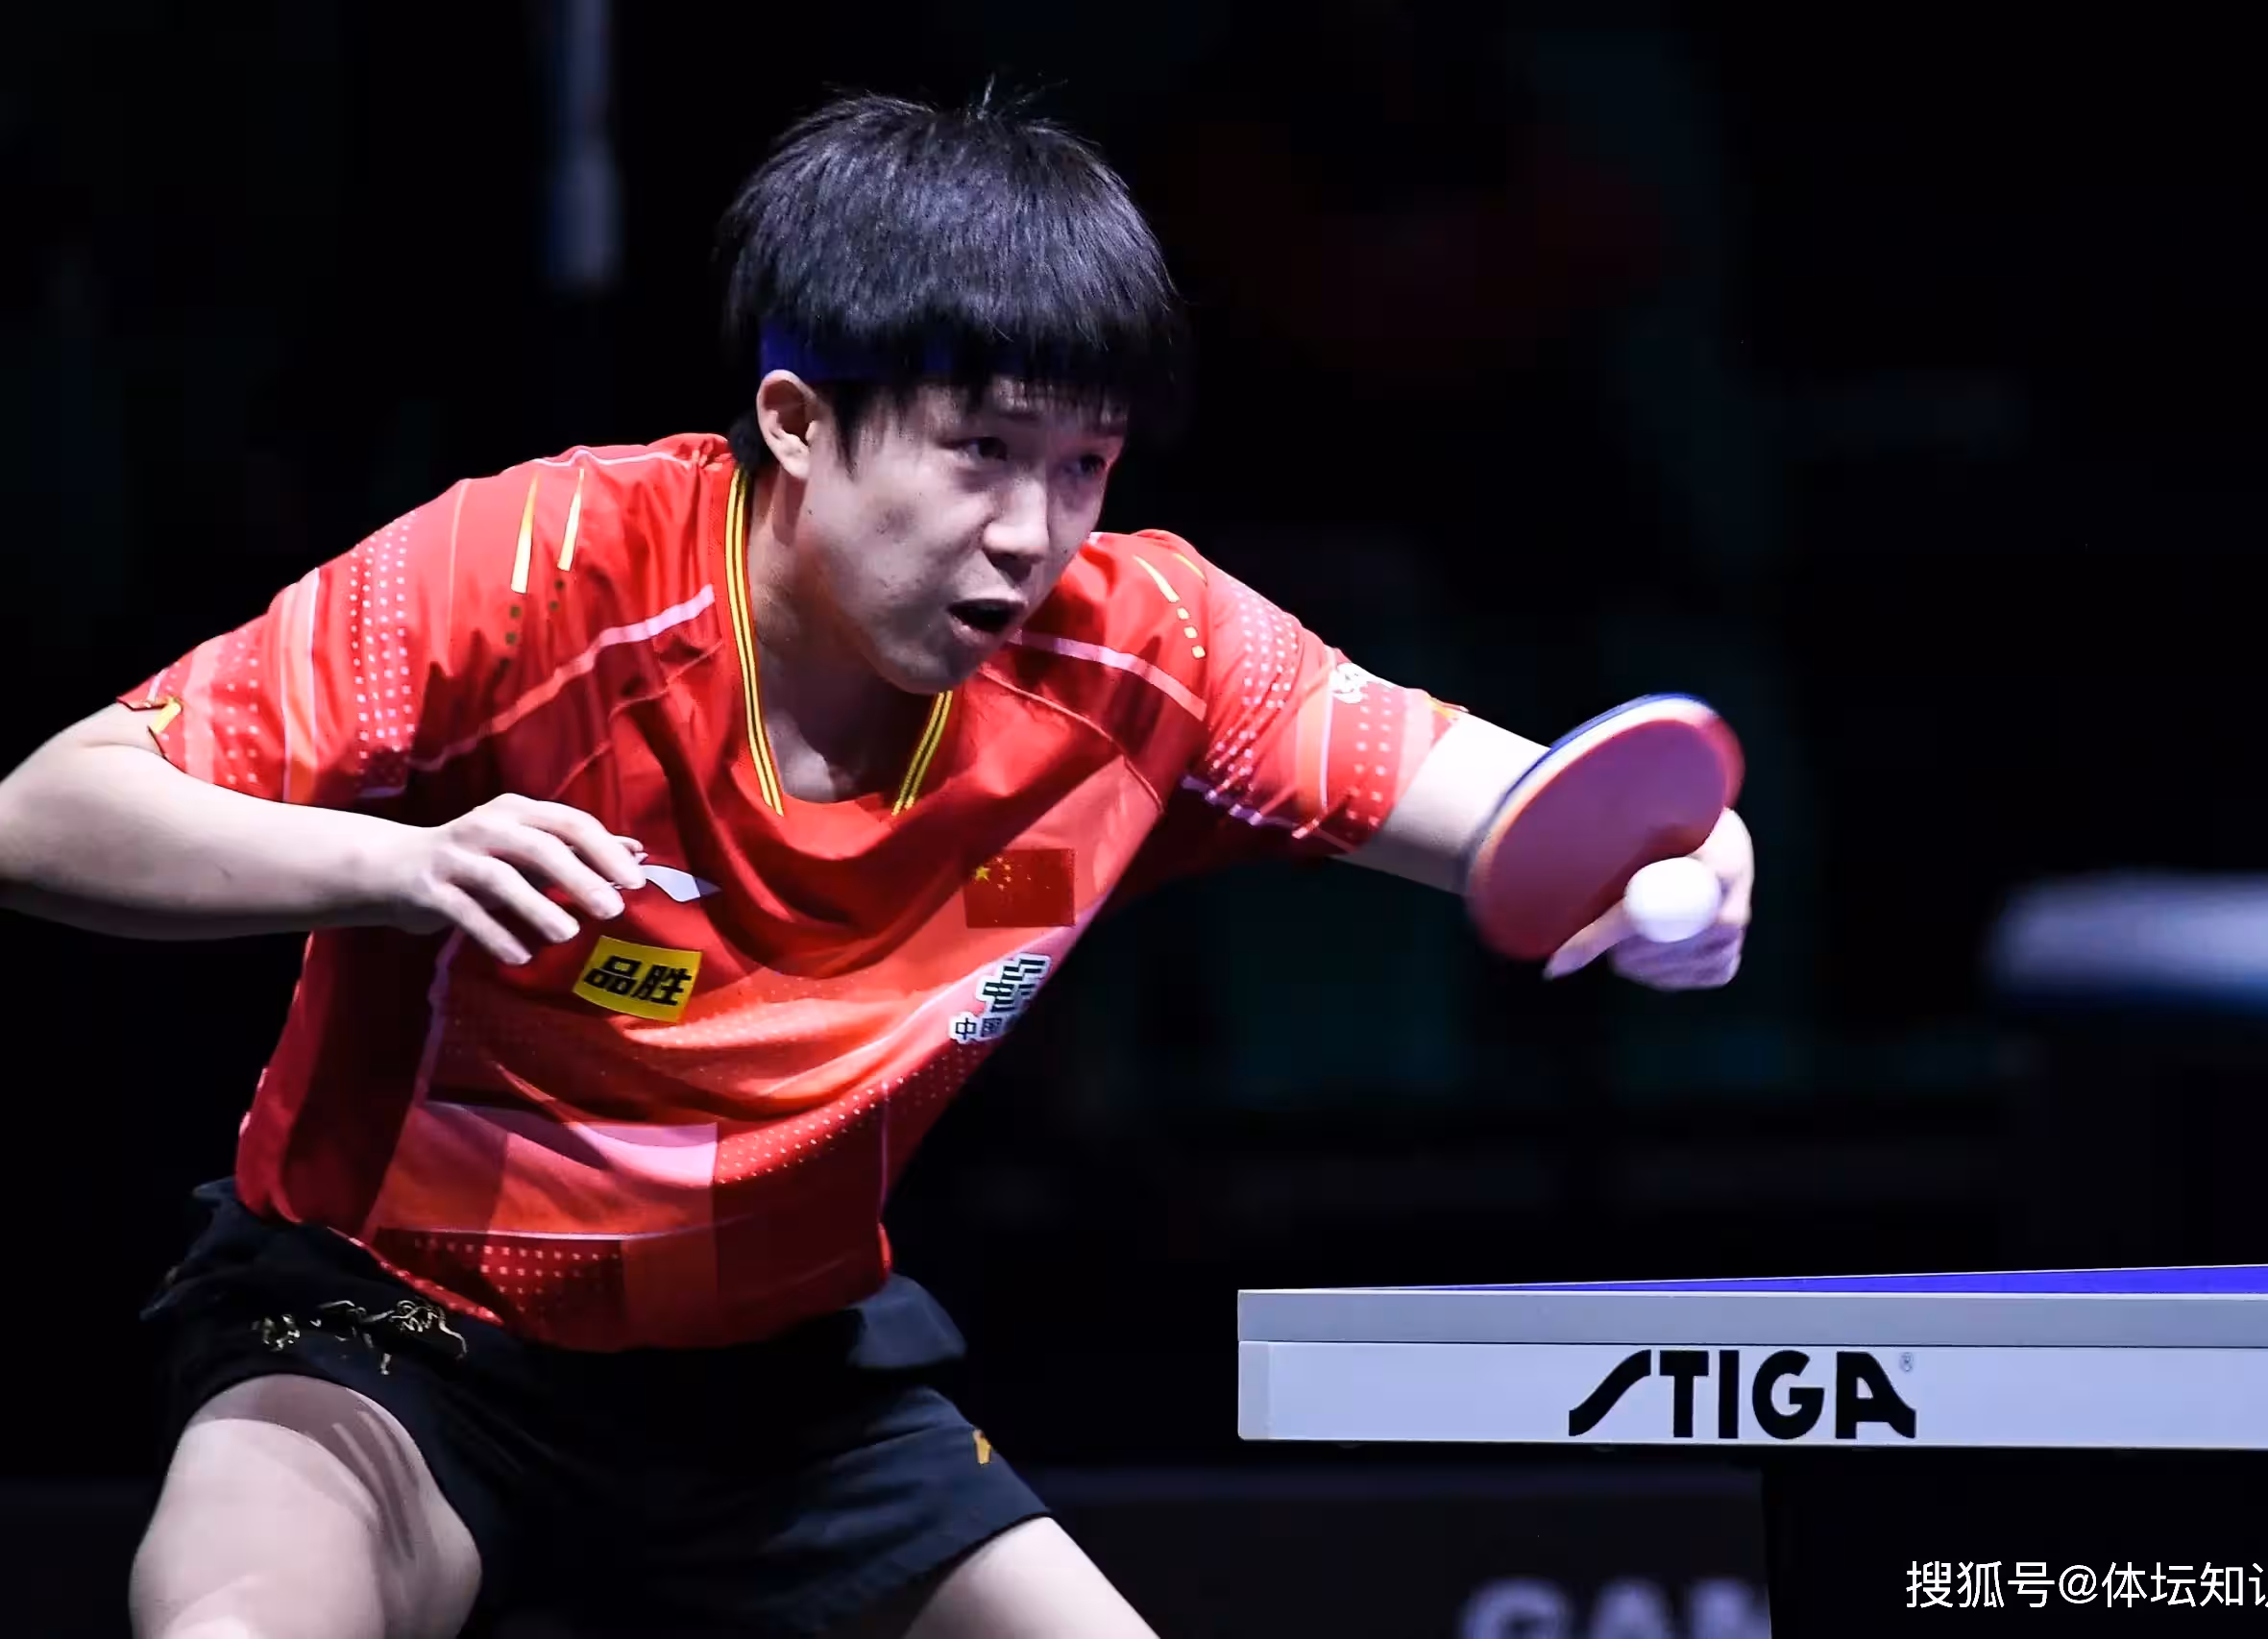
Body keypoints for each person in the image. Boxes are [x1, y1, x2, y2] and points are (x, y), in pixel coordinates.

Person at [0, 91, 1754, 1639]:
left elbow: (1554, 806)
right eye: (979, 450)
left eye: (1082, 464)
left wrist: (1690, 850)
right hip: (391, 1333)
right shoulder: (541, 569)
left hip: (777, 1392)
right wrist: (393, 866)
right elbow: (45, 809)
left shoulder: (1144, 653)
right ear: (796, 419)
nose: (1030, 532)